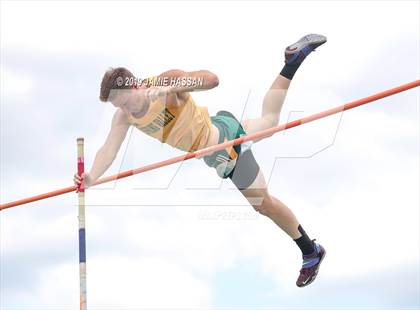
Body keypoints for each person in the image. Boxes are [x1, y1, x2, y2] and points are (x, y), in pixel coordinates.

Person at [74, 34, 327, 287]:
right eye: (120, 106)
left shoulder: (164, 84)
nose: (126, 110)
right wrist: (92, 176)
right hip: (216, 139)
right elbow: (108, 149)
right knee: (269, 122)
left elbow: (212, 80)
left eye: (126, 102)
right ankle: (292, 62)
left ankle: (310, 252)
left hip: (224, 145)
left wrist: (172, 88)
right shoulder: (124, 117)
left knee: (263, 204)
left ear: (137, 85)